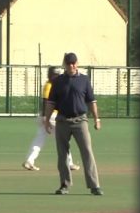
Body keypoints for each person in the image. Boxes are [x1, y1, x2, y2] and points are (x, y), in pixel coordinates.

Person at [44, 52, 103, 195]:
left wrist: (97, 119)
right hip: (62, 120)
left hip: (80, 120)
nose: (72, 65)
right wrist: (47, 120)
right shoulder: (58, 81)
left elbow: (91, 101)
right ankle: (65, 185)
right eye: (69, 63)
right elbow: (51, 103)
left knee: (87, 152)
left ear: (77, 63)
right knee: (62, 154)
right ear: (65, 64)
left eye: (74, 63)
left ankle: (94, 185)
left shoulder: (84, 80)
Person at [22, 66, 79, 172]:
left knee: (39, 139)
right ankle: (69, 163)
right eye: (54, 75)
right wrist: (45, 117)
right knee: (63, 139)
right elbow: (46, 101)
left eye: (56, 75)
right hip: (51, 116)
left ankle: (29, 161)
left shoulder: (54, 84)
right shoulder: (50, 85)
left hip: (47, 116)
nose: (55, 77)